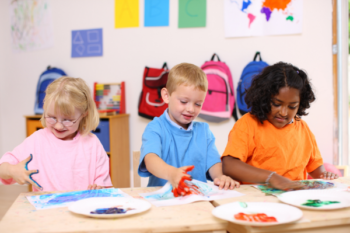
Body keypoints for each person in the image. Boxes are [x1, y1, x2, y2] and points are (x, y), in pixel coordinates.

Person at [222, 62, 339, 190]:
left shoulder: (302, 128)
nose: (283, 112)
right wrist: (271, 177)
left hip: (294, 198)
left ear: (300, 104)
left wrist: (324, 174)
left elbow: (315, 168)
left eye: (292, 106)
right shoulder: (248, 124)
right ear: (264, 98)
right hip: (257, 199)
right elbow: (229, 165)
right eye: (277, 104)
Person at [138, 63, 239, 193]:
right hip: (164, 200)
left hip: (196, 199)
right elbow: (150, 160)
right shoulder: (155, 128)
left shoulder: (204, 131)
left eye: (198, 104)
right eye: (184, 102)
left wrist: (220, 177)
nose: (191, 109)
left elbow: (213, 163)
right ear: (166, 96)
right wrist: (172, 174)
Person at [0, 77, 112, 191]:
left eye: (67, 120)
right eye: (52, 117)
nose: (58, 126)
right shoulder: (37, 141)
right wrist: (12, 170)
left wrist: (98, 187)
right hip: (47, 208)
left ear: (84, 114)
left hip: (82, 207)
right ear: (44, 109)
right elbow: (2, 169)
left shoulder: (93, 144)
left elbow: (103, 185)